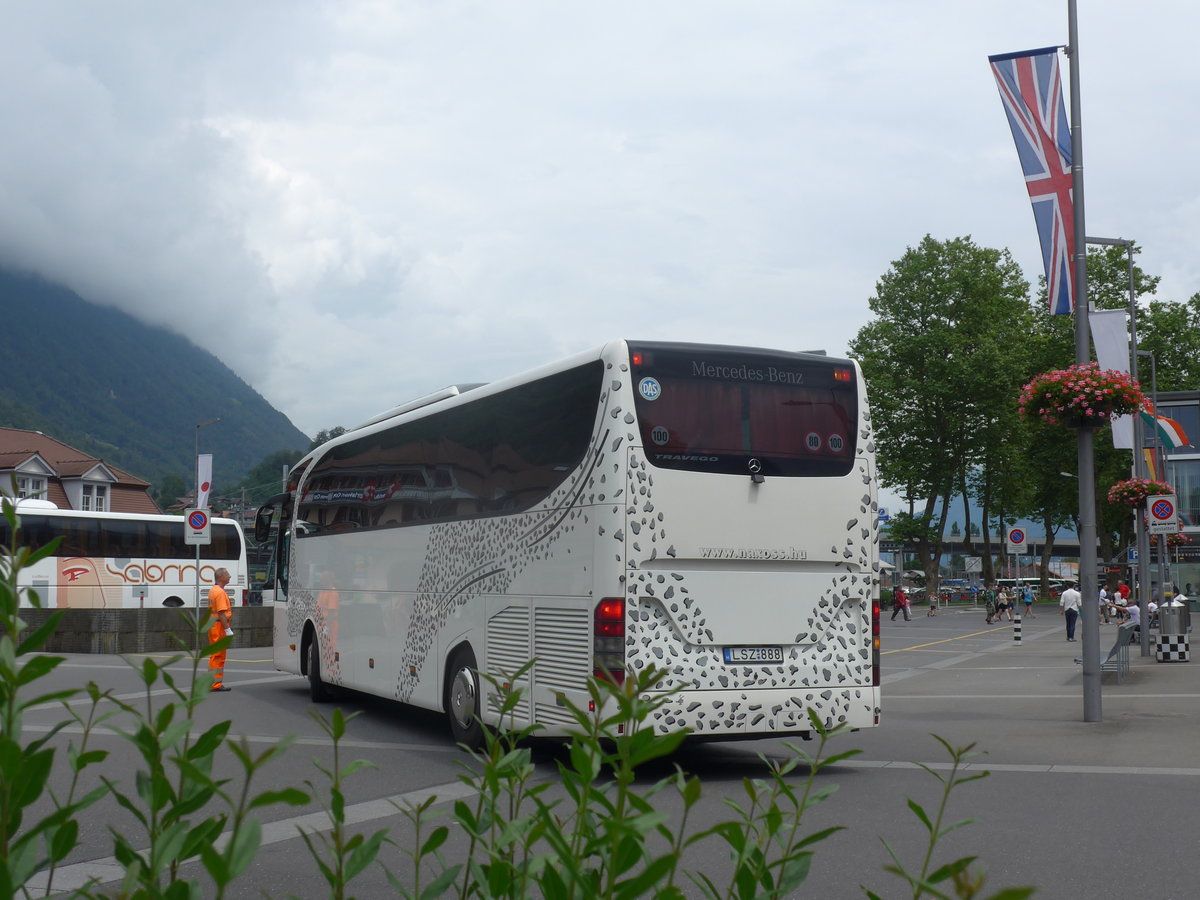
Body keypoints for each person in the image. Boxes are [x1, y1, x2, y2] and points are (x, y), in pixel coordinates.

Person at [208, 567, 234, 691]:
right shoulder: (220, 593)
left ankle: (214, 682)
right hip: (218, 626)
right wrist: (228, 629)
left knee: (216, 654)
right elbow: (222, 613)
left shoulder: (214, 590)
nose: (230, 576)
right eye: (227, 574)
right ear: (221, 577)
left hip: (214, 625)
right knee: (218, 655)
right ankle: (215, 684)